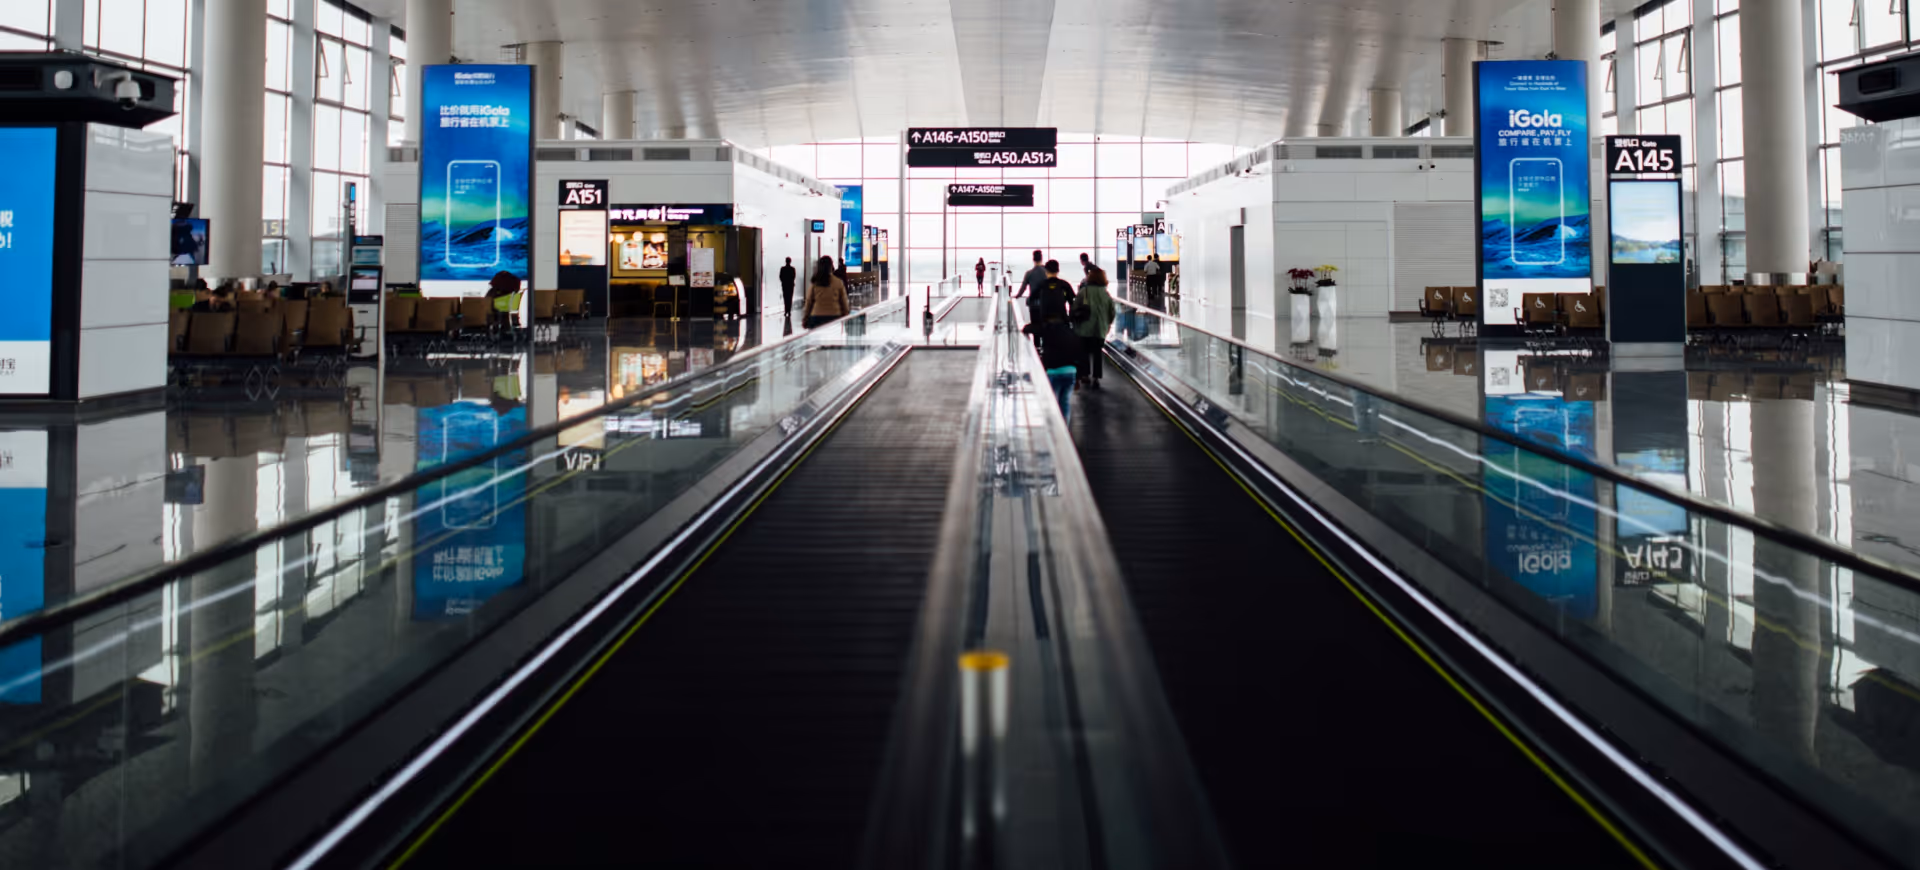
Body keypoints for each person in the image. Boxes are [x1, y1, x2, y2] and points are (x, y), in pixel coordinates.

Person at [1023, 296, 1083, 424]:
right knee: (1065, 402)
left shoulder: (1047, 329)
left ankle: (1053, 429)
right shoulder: (1071, 332)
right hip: (1070, 372)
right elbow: (1079, 354)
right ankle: (1064, 427)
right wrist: (1078, 377)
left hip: (1054, 371)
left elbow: (1028, 329)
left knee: (1052, 403)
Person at [1075, 263, 1116, 390]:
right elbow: (1112, 312)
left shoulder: (1084, 292)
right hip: (1100, 329)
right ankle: (1096, 377)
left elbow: (1075, 308)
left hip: (1084, 328)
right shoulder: (1106, 294)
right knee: (1097, 353)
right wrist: (1107, 324)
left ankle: (1085, 375)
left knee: (1084, 352)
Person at [802, 256, 848, 329]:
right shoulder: (838, 282)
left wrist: (805, 318)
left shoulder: (815, 282)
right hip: (834, 316)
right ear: (831, 266)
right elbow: (844, 302)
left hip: (816, 317)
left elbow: (809, 302)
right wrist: (846, 314)